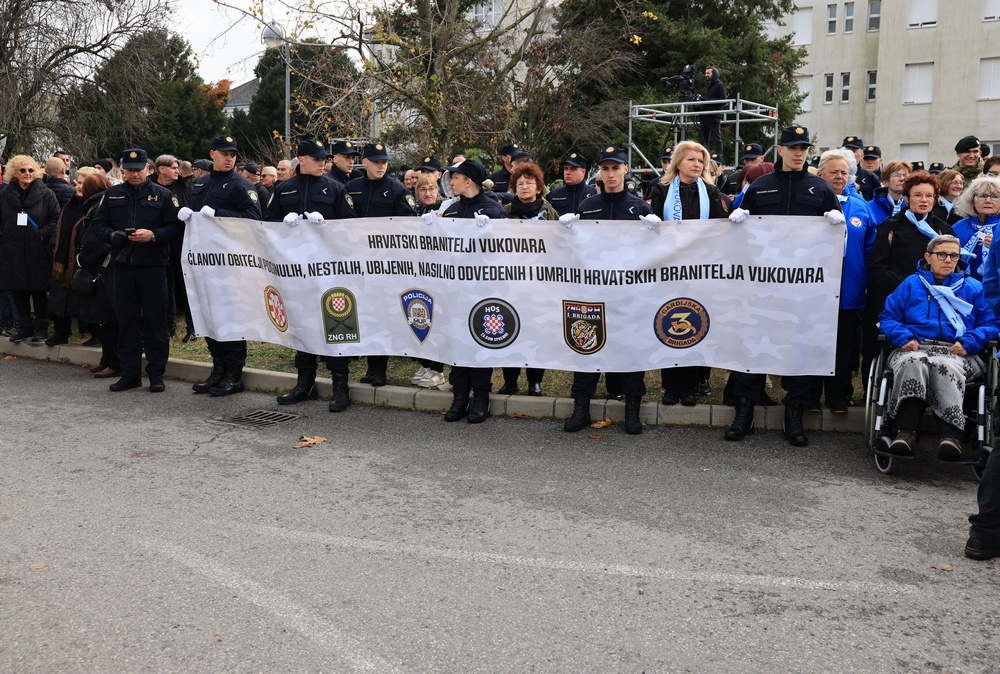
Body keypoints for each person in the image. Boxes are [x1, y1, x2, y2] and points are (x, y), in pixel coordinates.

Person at [725, 126, 842, 446]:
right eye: (793, 147)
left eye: (803, 147)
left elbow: (837, 242)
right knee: (751, 342)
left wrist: (836, 226)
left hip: (803, 290)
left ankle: (794, 414)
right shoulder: (760, 186)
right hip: (760, 285)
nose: (799, 153)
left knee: (799, 347)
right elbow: (739, 236)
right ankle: (744, 411)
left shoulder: (820, 189)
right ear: (780, 150)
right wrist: (739, 219)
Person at [560, 146, 656, 435]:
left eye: (616, 168)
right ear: (599, 173)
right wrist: (565, 231)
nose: (611, 174)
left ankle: (632, 409)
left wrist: (658, 231)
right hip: (594, 293)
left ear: (626, 170)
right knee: (586, 346)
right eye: (606, 168)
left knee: (630, 348)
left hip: (629, 295)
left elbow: (656, 254)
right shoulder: (588, 207)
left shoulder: (640, 208)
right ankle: (581, 408)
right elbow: (572, 253)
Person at [879, 234, 999, 459]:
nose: (948, 260)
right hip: (915, 347)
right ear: (928, 256)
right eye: (941, 254)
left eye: (953, 256)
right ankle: (905, 432)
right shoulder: (911, 284)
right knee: (913, 362)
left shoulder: (973, 287)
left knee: (944, 365)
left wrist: (969, 342)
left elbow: (992, 323)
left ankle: (950, 437)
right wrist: (903, 336)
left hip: (957, 351)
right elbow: (888, 317)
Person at [264, 139, 358, 412]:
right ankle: (305, 383)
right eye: (317, 159)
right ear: (302, 160)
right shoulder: (283, 189)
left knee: (336, 326)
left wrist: (326, 226)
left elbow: (351, 228)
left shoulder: (336, 188)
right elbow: (267, 223)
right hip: (296, 273)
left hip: (328, 272)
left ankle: (341, 386)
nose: (323, 163)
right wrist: (283, 224)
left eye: (324, 160)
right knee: (302, 325)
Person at [88, 148, 182, 393]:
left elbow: (176, 228)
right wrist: (112, 235)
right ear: (122, 170)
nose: (134, 174)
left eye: (138, 170)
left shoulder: (162, 195)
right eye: (129, 170)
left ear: (148, 169)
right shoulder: (112, 194)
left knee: (155, 323)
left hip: (153, 267)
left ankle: (156, 374)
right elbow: (98, 223)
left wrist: (154, 236)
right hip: (123, 266)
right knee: (126, 321)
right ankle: (130, 374)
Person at [649, 140, 731, 406]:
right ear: (678, 163)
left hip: (700, 270)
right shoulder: (660, 189)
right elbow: (650, 221)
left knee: (696, 324)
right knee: (668, 323)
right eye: (691, 160)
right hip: (668, 269)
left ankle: (690, 385)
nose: (697, 165)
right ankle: (671, 386)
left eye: (701, 161)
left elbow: (722, 228)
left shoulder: (711, 190)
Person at [184, 135, 262, 396]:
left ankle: (234, 374)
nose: (229, 158)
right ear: (212, 154)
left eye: (233, 154)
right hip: (205, 261)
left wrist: (219, 215)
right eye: (224, 153)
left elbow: (253, 218)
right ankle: (217, 369)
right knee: (209, 315)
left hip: (230, 263)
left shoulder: (240, 184)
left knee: (232, 318)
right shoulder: (202, 181)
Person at [440, 159, 508, 423]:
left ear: (468, 181)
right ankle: (459, 397)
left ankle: (481, 396)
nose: (450, 182)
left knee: (480, 341)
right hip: (456, 290)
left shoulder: (493, 210)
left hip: (483, 290)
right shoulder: (452, 211)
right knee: (457, 340)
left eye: (455, 177)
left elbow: (504, 254)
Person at [346, 142, 417, 386]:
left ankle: (378, 369)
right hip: (355, 263)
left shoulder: (397, 190)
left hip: (383, 266)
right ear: (364, 162)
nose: (381, 165)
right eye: (376, 161)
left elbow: (408, 224)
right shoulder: (351, 187)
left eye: (384, 161)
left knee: (379, 316)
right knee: (359, 314)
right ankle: (354, 361)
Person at [816, 149, 876, 412]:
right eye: (833, 172)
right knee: (815, 342)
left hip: (849, 290)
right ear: (820, 174)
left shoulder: (861, 205)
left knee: (844, 346)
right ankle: (808, 395)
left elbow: (869, 246)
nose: (839, 176)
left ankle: (838, 394)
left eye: (844, 172)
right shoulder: (810, 199)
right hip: (814, 288)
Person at [497, 162, 560, 397]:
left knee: (536, 331)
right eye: (520, 183)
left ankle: (535, 381)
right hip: (511, 283)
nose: (524, 187)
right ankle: (510, 380)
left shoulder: (550, 213)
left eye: (529, 183)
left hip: (540, 283)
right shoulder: (504, 213)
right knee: (509, 329)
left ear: (538, 187)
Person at [0, 155, 61, 343]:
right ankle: (24, 327)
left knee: (39, 289)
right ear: (14, 173)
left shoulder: (46, 193)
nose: (27, 173)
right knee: (18, 289)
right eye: (23, 170)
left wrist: (43, 234)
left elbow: (55, 218)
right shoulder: (4, 194)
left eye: (30, 170)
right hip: (13, 249)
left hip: (38, 249)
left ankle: (41, 328)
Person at [48, 166, 100, 346]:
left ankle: (96, 333)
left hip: (85, 260)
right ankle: (61, 332)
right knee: (60, 295)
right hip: (63, 259)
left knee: (87, 299)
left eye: (85, 184)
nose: (80, 187)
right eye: (78, 182)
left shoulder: (96, 206)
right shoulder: (71, 203)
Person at [75, 173, 120, 378]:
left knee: (106, 317)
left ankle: (114, 361)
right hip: (106, 268)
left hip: (102, 269)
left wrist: (83, 258)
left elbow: (93, 241)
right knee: (103, 317)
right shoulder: (102, 204)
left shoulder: (96, 207)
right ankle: (107, 359)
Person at [152, 154, 192, 340]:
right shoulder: (150, 186)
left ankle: (192, 328)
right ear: (162, 169)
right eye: (174, 168)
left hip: (183, 242)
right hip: (160, 243)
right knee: (165, 286)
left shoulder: (183, 186)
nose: (178, 171)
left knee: (186, 285)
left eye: (178, 168)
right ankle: (169, 326)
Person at [951, 175, 1000, 281]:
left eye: (995, 196)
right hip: (962, 289)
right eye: (982, 196)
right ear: (972, 200)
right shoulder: (958, 227)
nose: (988, 201)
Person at [547, 152, 596, 216]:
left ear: (583, 172)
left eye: (573, 169)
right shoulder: (553, 195)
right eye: (566, 168)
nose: (568, 172)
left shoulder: (593, 194)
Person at [868, 160, 912, 225]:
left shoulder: (912, 207)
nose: (902, 179)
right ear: (885, 182)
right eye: (896, 175)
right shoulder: (870, 208)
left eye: (905, 175)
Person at [698, 66, 726, 162]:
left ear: (714, 74)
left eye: (708, 73)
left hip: (714, 116)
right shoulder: (707, 87)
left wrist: (707, 100)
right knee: (703, 139)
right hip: (704, 116)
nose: (706, 75)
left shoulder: (719, 85)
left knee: (716, 138)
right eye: (705, 73)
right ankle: (703, 157)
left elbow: (723, 100)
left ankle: (719, 157)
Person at [841, 136, 880, 201]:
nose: (849, 154)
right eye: (847, 151)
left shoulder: (871, 177)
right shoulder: (833, 174)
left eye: (854, 151)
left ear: (862, 155)